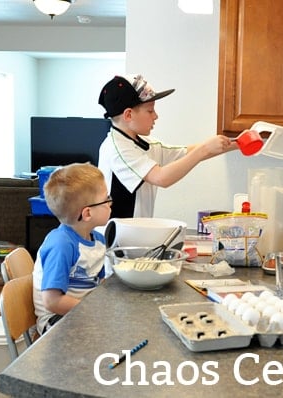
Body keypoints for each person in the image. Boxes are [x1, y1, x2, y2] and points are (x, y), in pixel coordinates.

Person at [97, 74, 238, 218]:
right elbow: (161, 178)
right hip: (115, 237)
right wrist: (204, 149)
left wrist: (239, 143)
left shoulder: (146, 144)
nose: (156, 116)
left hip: (135, 234)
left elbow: (187, 153)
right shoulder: (117, 148)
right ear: (128, 115)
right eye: (150, 111)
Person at [33, 163, 111, 334]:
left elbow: (99, 283)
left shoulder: (98, 239)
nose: (110, 203)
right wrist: (95, 311)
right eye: (107, 199)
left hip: (81, 311)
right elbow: (52, 302)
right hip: (57, 322)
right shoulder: (61, 245)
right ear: (87, 213)